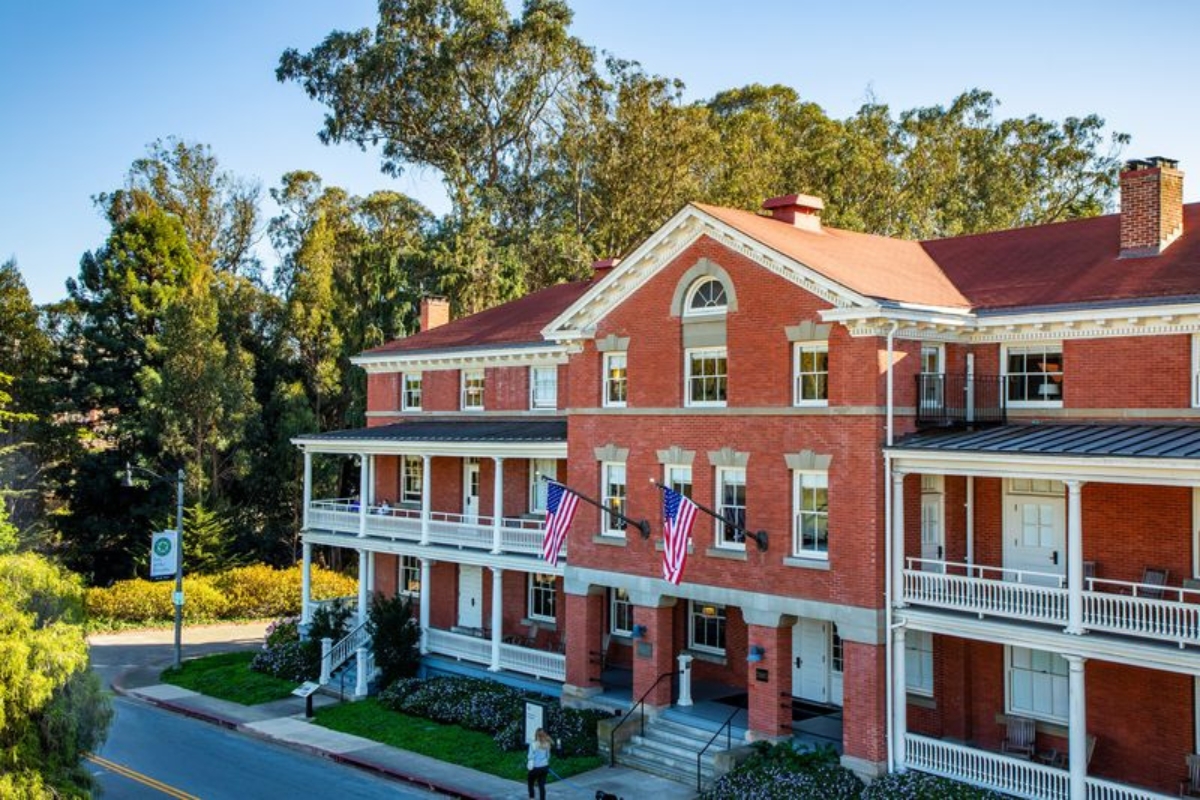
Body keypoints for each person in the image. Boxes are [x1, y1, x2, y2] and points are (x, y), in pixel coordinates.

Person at [526, 727, 552, 800]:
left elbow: (530, 756)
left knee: (530, 783)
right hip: (544, 767)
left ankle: (532, 798)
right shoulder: (547, 744)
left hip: (535, 767)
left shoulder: (533, 744)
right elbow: (548, 757)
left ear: (536, 735)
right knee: (541, 785)